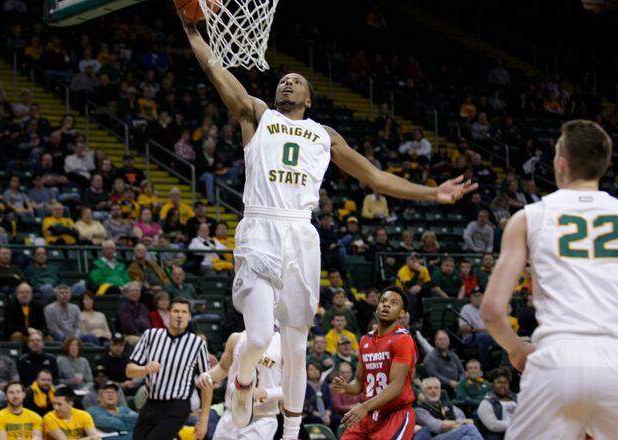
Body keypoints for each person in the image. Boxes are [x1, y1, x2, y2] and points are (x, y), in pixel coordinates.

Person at [179, 14, 475, 439]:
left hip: (301, 234)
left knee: (297, 345)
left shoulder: (324, 135)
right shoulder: (257, 115)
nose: (288, 83)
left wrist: (433, 194)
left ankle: (294, 430)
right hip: (262, 225)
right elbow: (214, 69)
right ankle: (242, 382)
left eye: (297, 81)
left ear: (310, 98)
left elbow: (376, 178)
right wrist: (192, 33)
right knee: (259, 336)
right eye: (283, 79)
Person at [480, 120, 618, 439]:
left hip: (557, 359)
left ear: (561, 163)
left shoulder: (530, 217)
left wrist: (515, 350)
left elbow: (491, 310)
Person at [332, 287, 416, 440]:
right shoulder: (365, 340)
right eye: (383, 301)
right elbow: (359, 382)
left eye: (394, 303)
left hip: (395, 415)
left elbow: (396, 387)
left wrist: (364, 406)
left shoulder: (403, 339)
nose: (386, 305)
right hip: (370, 414)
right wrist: (346, 388)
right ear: (377, 308)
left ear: (402, 313)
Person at [126, 297, 212, 440]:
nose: (180, 315)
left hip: (177, 406)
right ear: (168, 314)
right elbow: (129, 370)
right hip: (151, 404)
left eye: (184, 312)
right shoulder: (150, 335)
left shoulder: (197, 344)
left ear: (189, 317)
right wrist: (145, 369)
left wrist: (204, 419)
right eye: (176, 311)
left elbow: (207, 383)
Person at [199, 331, 282, 440]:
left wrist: (265, 393)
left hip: (261, 419)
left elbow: (294, 391)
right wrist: (208, 375)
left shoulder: (282, 343)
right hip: (231, 415)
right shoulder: (236, 338)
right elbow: (224, 367)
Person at [414, 377, 482, 440]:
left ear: (440, 390)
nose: (434, 390)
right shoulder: (419, 410)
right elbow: (437, 427)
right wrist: (457, 423)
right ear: (423, 391)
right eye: (429, 388)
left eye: (436, 388)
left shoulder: (449, 405)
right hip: (435, 437)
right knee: (468, 427)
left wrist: (452, 424)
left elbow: (462, 418)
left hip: (453, 434)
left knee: (466, 438)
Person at [476, 368, 516, 440]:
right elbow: (493, 425)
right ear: (492, 384)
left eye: (505, 382)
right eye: (499, 382)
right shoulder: (486, 403)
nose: (502, 385)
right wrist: (518, 424)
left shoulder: (518, 398)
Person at [458, 290, 495, 369]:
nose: (478, 298)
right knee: (485, 336)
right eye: (475, 296)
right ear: (471, 297)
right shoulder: (466, 308)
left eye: (480, 295)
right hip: (470, 337)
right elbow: (462, 327)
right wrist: (480, 330)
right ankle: (485, 366)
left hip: (488, 334)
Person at [423, 330, 466, 397]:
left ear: (449, 340)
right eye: (440, 339)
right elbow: (434, 375)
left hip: (457, 387)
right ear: (435, 341)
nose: (443, 341)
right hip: (440, 389)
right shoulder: (430, 358)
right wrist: (449, 382)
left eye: (445, 339)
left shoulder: (453, 355)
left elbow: (462, 372)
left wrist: (461, 383)